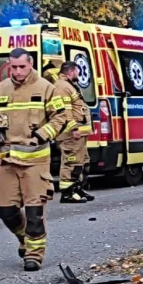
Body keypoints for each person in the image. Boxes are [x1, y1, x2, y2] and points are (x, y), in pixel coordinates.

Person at [0, 48, 67, 271]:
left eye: (22, 67)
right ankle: (25, 239)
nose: (17, 71)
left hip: (35, 161)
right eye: (13, 67)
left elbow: (61, 117)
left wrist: (43, 134)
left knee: (34, 212)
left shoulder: (46, 88)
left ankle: (34, 254)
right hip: (7, 160)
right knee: (5, 210)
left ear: (30, 64)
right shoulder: (1, 89)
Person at [53, 61, 93, 204]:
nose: (78, 74)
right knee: (70, 162)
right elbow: (65, 111)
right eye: (77, 71)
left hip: (78, 134)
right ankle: (67, 193)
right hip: (70, 134)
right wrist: (74, 128)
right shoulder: (62, 87)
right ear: (71, 71)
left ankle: (77, 188)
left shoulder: (69, 85)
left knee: (82, 161)